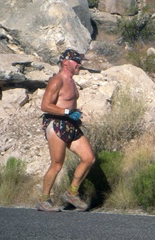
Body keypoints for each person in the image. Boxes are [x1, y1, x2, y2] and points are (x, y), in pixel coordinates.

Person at [36, 49, 95, 212]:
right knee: (57, 164)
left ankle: (71, 193)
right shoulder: (57, 80)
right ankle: (44, 200)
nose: (80, 64)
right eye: (76, 61)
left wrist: (75, 116)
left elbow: (68, 103)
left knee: (89, 158)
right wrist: (68, 112)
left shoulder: (72, 81)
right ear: (65, 62)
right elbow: (45, 106)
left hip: (70, 124)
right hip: (56, 123)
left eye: (80, 61)